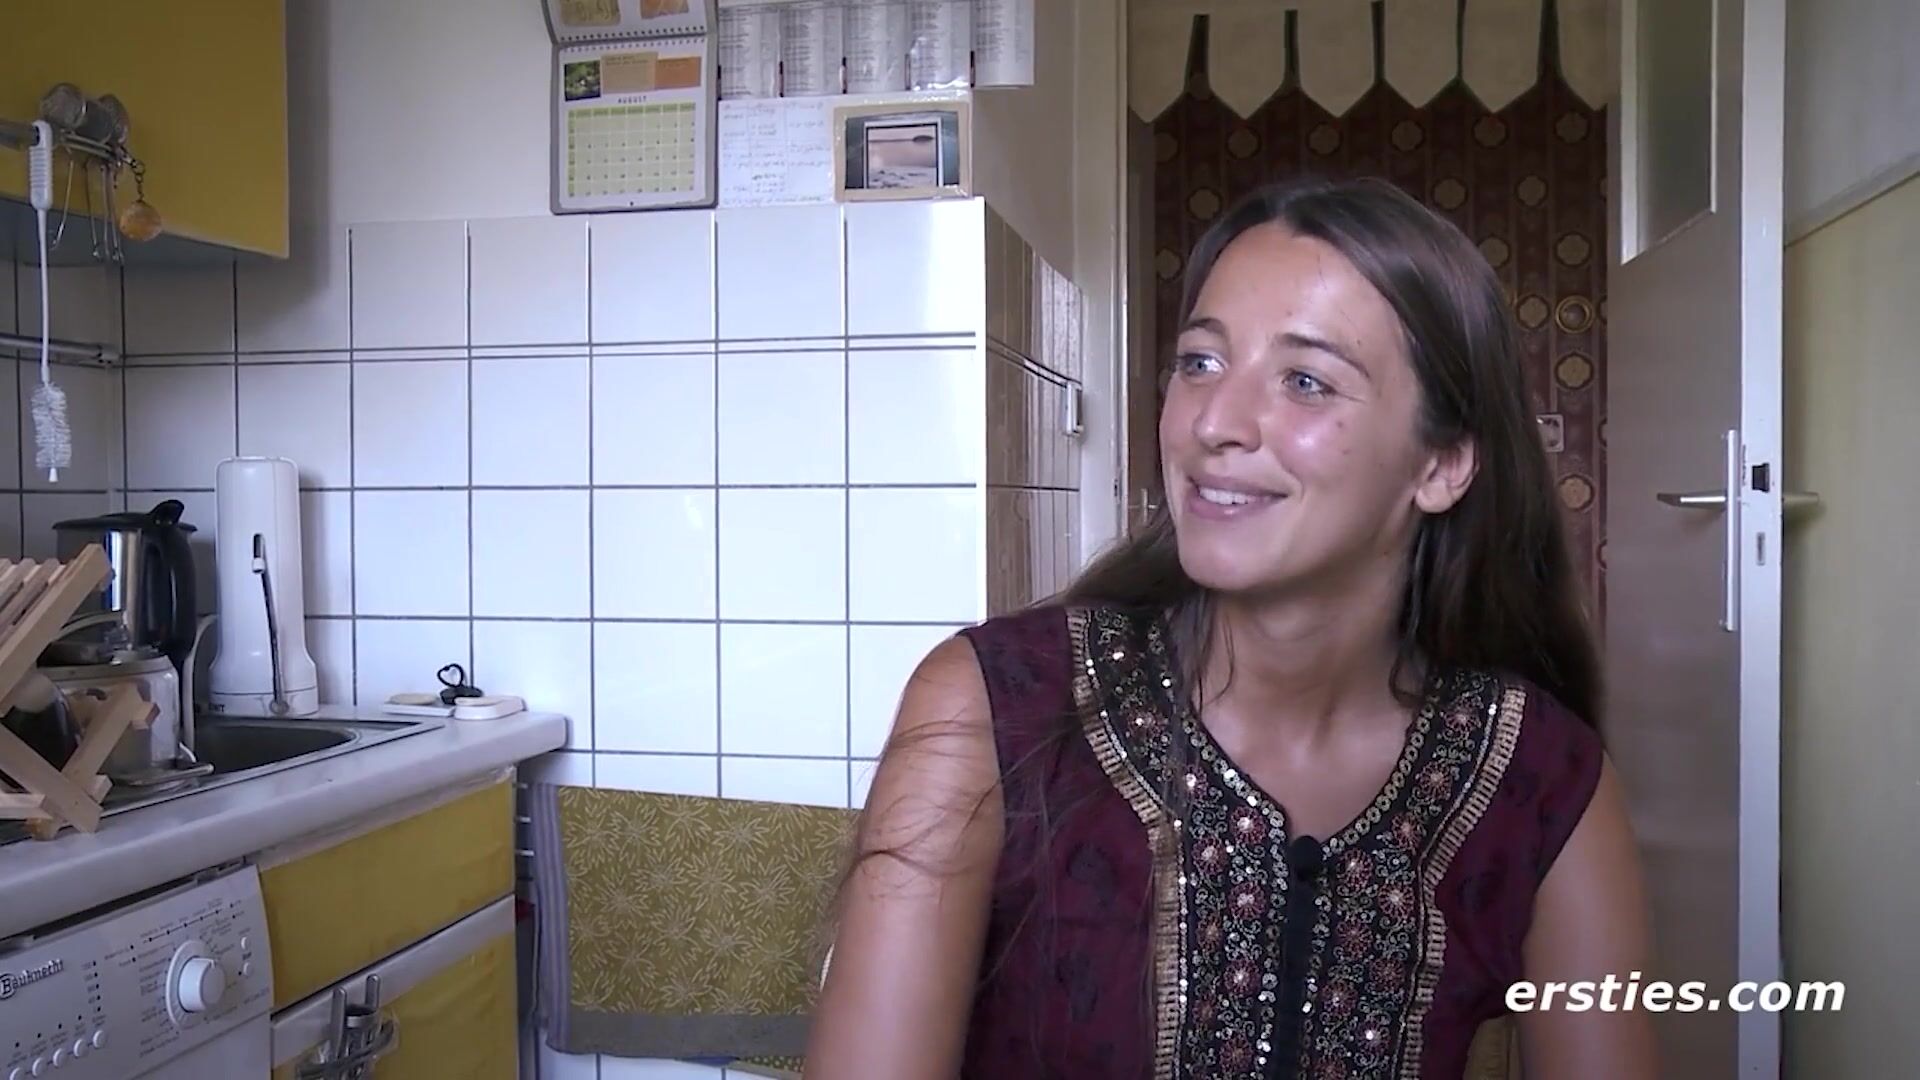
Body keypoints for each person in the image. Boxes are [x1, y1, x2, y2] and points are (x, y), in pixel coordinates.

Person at [805, 176, 1657, 1079]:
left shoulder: (1541, 777)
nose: (1213, 423)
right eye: (1200, 363)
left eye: (1305, 381)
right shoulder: (988, 711)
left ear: (1442, 464)